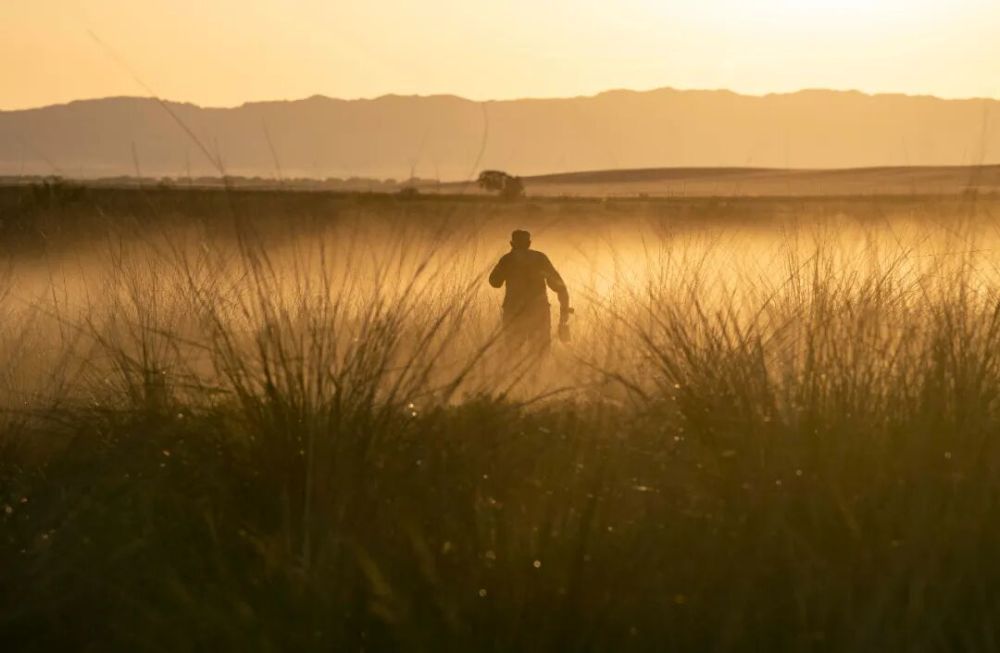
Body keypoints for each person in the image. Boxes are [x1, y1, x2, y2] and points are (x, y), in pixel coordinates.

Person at [488, 229, 571, 354]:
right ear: (529, 243)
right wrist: (564, 316)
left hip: (514, 312)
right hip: (539, 311)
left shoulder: (507, 260)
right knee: (540, 353)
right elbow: (560, 287)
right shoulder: (540, 259)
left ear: (512, 243)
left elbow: (494, 282)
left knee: (513, 353)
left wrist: (509, 261)